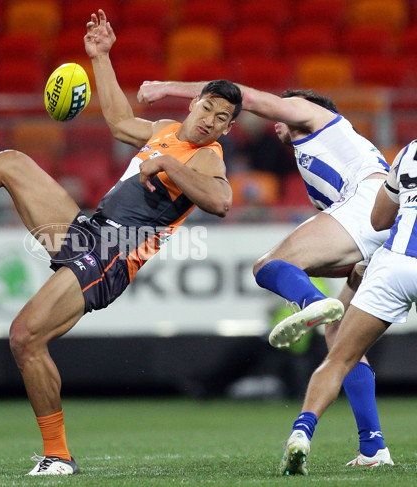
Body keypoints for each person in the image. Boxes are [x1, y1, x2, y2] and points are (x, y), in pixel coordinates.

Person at [0, 10, 242, 475]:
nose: (210, 122)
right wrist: (100, 56)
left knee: (25, 337)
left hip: (112, 254)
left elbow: (220, 201)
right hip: (89, 231)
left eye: (221, 119)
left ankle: (58, 456)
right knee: (13, 163)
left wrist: (170, 169)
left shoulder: (207, 157)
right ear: (193, 103)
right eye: (207, 109)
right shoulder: (164, 132)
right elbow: (118, 122)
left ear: (227, 130)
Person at [138, 81, 393, 466]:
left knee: (267, 265)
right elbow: (340, 256)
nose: (279, 112)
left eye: (286, 103)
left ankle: (313, 301)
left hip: (369, 204)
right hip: (384, 230)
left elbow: (245, 97)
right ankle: (373, 448)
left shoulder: (316, 115)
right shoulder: (320, 163)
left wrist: (167, 87)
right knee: (342, 339)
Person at [279, 140, 417, 474]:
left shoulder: (409, 151)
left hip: (396, 264)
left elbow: (379, 218)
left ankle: (303, 432)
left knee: (339, 357)